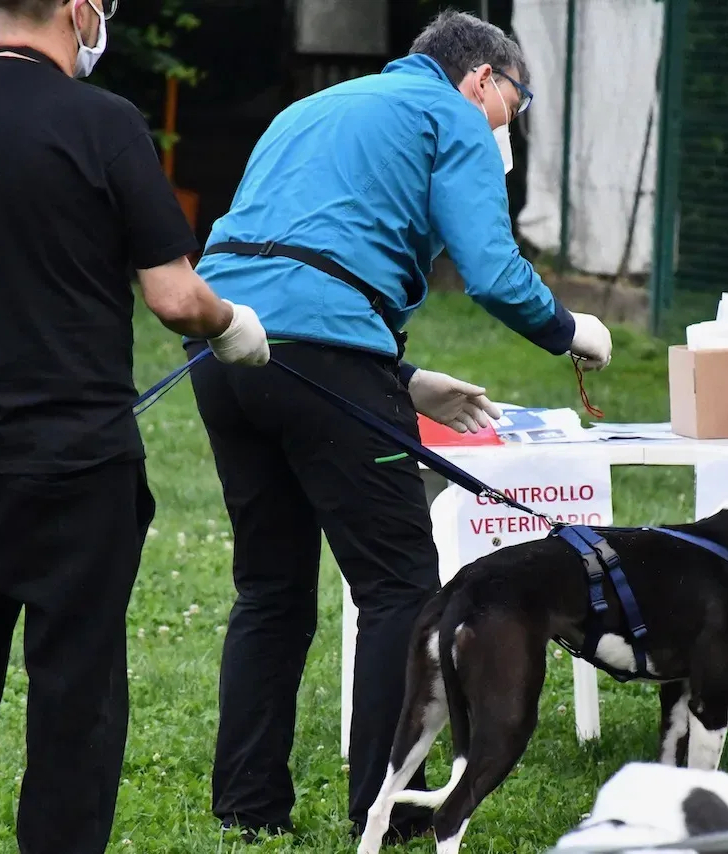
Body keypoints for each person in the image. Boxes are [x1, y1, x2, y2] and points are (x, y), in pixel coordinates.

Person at [0, 0, 270, 850]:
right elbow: (174, 296)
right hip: (80, 469)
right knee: (77, 699)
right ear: (78, 10)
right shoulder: (105, 122)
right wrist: (231, 326)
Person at [185, 9, 614, 844]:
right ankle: (388, 812)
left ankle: (246, 810)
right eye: (516, 103)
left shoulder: (313, 108)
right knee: (399, 591)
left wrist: (403, 380)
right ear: (482, 79)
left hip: (224, 347)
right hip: (323, 352)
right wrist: (571, 330)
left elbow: (302, 250)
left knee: (270, 589)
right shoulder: (452, 114)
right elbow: (491, 270)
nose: (511, 125)